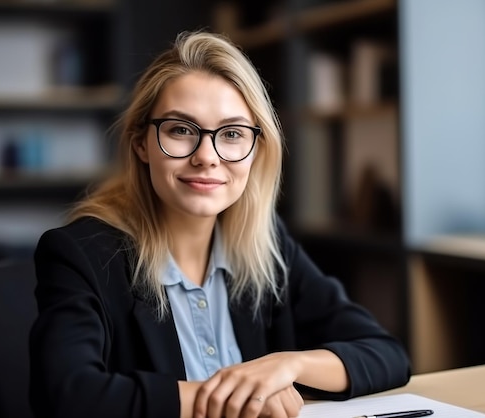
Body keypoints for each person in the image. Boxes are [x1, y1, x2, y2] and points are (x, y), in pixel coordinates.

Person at [29, 29, 411, 418]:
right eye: (181, 130)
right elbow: (67, 395)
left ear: (255, 151)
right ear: (141, 143)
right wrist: (237, 396)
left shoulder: (265, 245)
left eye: (231, 134)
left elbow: (387, 354)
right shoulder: (82, 254)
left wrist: (286, 366)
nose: (207, 156)